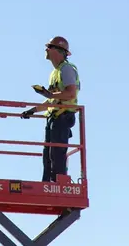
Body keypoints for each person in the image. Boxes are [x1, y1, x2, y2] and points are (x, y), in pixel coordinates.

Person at [22, 36, 81, 183]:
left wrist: (49, 94)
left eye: (50, 47)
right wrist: (33, 110)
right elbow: (53, 100)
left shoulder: (66, 69)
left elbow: (71, 93)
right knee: (48, 155)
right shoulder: (55, 73)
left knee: (56, 154)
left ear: (59, 51)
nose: (46, 49)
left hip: (63, 117)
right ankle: (48, 183)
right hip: (55, 118)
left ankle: (58, 183)